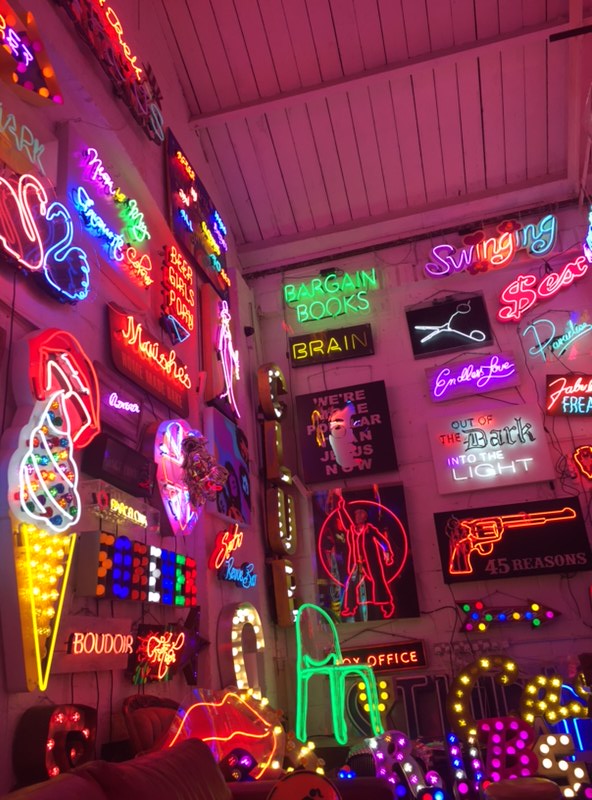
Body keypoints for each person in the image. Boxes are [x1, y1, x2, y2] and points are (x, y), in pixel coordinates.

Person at [335, 497, 395, 619]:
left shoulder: (370, 530)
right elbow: (345, 522)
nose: (357, 515)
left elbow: (382, 540)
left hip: (370, 562)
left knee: (378, 582)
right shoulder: (352, 531)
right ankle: (349, 608)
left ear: (365, 516)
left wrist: (387, 553)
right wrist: (341, 508)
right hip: (356, 563)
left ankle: (386, 606)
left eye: (360, 513)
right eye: (356, 513)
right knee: (352, 583)